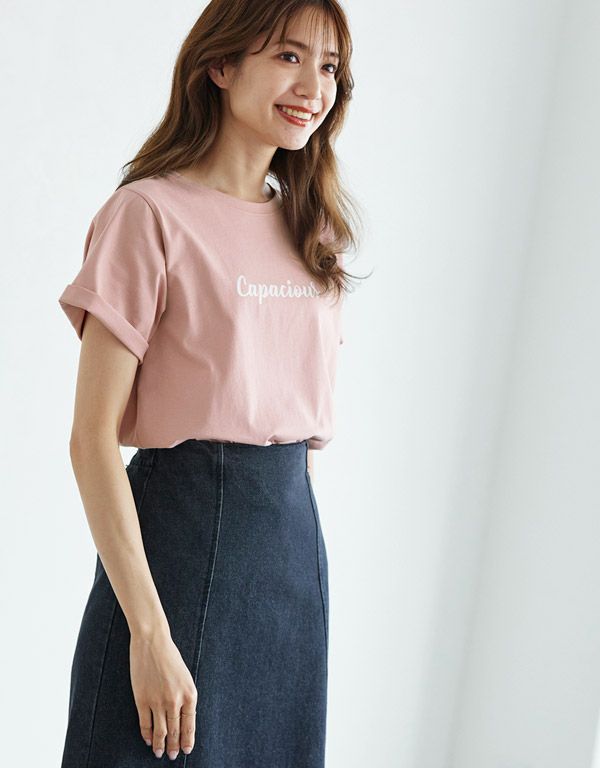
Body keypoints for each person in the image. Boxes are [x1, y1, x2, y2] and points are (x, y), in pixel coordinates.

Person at [57, 0, 362, 765]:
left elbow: (299, 436)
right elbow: (91, 439)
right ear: (221, 65)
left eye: (329, 67)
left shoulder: (313, 234)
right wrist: (147, 632)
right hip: (180, 547)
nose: (313, 87)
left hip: (288, 561)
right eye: (288, 57)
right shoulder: (148, 215)